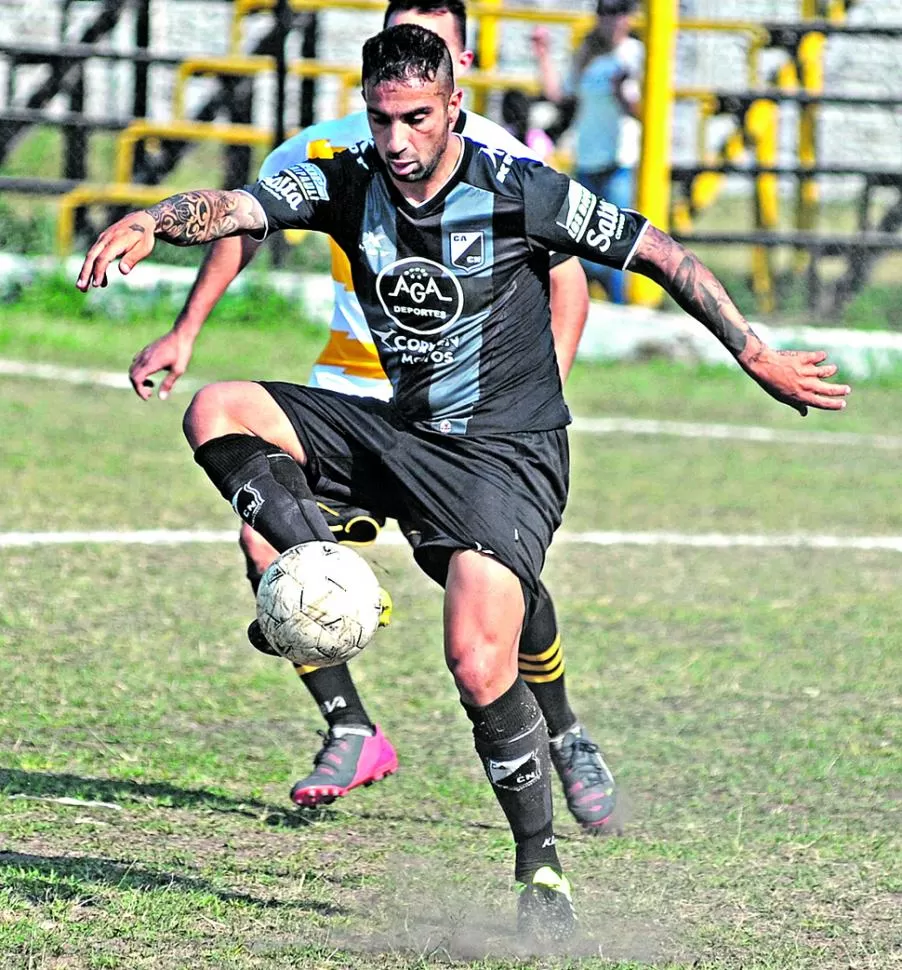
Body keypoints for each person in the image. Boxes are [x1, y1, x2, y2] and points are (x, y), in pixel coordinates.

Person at [76, 24, 850, 940]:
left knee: (480, 663)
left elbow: (664, 254)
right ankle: (327, 571)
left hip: (503, 458)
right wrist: (151, 219)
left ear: (453, 107)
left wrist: (754, 354)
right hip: (400, 434)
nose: (397, 141)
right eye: (381, 118)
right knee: (219, 408)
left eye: (415, 119)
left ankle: (541, 872)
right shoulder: (347, 178)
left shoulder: (519, 189)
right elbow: (236, 208)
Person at [127, 0, 619, 840]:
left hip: (475, 421)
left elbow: (567, 277)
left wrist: (530, 401)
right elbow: (246, 219)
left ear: (458, 62)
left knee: (499, 596)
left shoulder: (503, 160)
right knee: (267, 543)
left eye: (439, 39)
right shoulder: (336, 148)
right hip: (353, 395)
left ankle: (564, 731)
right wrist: (186, 328)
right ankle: (351, 728)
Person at [532, 0, 643, 303]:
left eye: (617, 12)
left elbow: (647, 113)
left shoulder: (637, 53)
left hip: (621, 161)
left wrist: (622, 94)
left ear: (629, 17)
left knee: (622, 244)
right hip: (588, 159)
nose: (610, 19)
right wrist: (543, 54)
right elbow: (561, 95)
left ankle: (624, 311)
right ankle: (587, 307)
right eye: (604, 12)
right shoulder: (587, 52)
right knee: (582, 245)